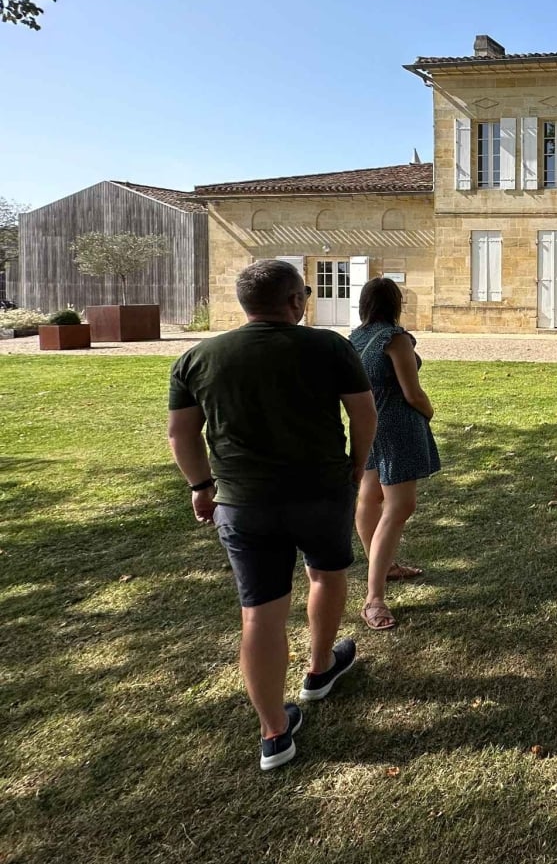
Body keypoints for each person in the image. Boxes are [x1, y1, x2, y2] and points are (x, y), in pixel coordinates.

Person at [168, 259, 375, 771]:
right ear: (295, 301)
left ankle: (273, 732)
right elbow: (363, 413)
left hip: (243, 502)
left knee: (260, 612)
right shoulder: (329, 347)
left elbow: (182, 433)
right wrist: (357, 465)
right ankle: (320, 668)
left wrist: (200, 486)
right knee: (326, 574)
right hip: (320, 492)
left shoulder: (198, 358)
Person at [350, 277, 441, 631]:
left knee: (370, 497)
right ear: (395, 304)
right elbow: (412, 392)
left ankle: (383, 566)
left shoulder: (356, 338)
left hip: (367, 424)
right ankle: (374, 597)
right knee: (400, 505)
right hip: (396, 425)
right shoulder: (395, 339)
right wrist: (428, 411)